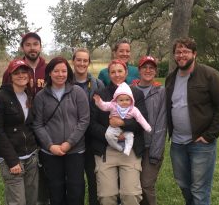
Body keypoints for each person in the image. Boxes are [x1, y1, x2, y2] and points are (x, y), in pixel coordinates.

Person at [165, 37, 219, 205]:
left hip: (201, 144)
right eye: (178, 52)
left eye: (186, 51)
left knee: (199, 190)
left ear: (194, 54)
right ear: (174, 55)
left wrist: (210, 135)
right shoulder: (171, 79)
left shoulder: (210, 75)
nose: (181, 55)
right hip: (178, 144)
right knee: (184, 185)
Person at [89, 59, 148, 205]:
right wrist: (111, 135)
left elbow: (141, 121)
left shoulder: (136, 94)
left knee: (131, 195)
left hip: (130, 149)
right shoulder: (100, 94)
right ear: (108, 74)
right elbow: (91, 124)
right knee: (107, 196)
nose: (117, 75)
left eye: (120, 71)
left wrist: (123, 124)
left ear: (126, 72)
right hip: (106, 149)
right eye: (113, 72)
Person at [33, 57, 90, 205]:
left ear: (68, 73)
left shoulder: (77, 92)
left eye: (64, 71)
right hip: (50, 152)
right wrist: (50, 146)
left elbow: (84, 120)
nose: (60, 74)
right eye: (56, 71)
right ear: (49, 73)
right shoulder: (41, 96)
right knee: (55, 189)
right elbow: (37, 125)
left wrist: (69, 143)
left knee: (76, 189)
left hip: (75, 151)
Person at [2, 31, 49, 204]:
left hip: (45, 126)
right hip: (21, 129)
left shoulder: (48, 69)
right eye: (28, 44)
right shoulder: (12, 70)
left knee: (41, 173)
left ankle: (42, 200)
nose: (32, 48)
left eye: (35, 44)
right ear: (23, 47)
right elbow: (5, 96)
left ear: (40, 46)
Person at [0, 60, 39, 205]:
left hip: (31, 156)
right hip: (12, 159)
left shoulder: (29, 96)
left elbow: (30, 125)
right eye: (17, 73)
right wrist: (12, 160)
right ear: (10, 76)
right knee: (17, 202)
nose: (21, 75)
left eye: (24, 72)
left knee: (32, 200)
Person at [131, 56, 167, 205]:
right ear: (139, 70)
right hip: (132, 146)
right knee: (133, 186)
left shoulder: (161, 92)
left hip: (152, 145)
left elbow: (162, 123)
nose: (148, 70)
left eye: (151, 68)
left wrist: (156, 152)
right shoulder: (130, 90)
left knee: (146, 184)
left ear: (156, 71)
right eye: (144, 67)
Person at [72, 48, 104, 205]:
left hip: (93, 139)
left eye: (85, 60)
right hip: (73, 140)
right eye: (79, 60)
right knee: (76, 183)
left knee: (94, 179)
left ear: (89, 62)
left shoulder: (98, 84)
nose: (82, 63)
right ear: (73, 61)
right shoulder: (65, 83)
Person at [93, 81, 152, 156]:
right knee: (108, 135)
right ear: (116, 100)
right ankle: (117, 147)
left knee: (130, 136)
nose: (124, 102)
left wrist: (147, 127)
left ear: (131, 100)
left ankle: (127, 149)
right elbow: (104, 106)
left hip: (127, 128)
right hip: (114, 128)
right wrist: (99, 102)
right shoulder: (113, 105)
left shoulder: (133, 109)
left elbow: (140, 118)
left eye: (127, 100)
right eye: (121, 100)